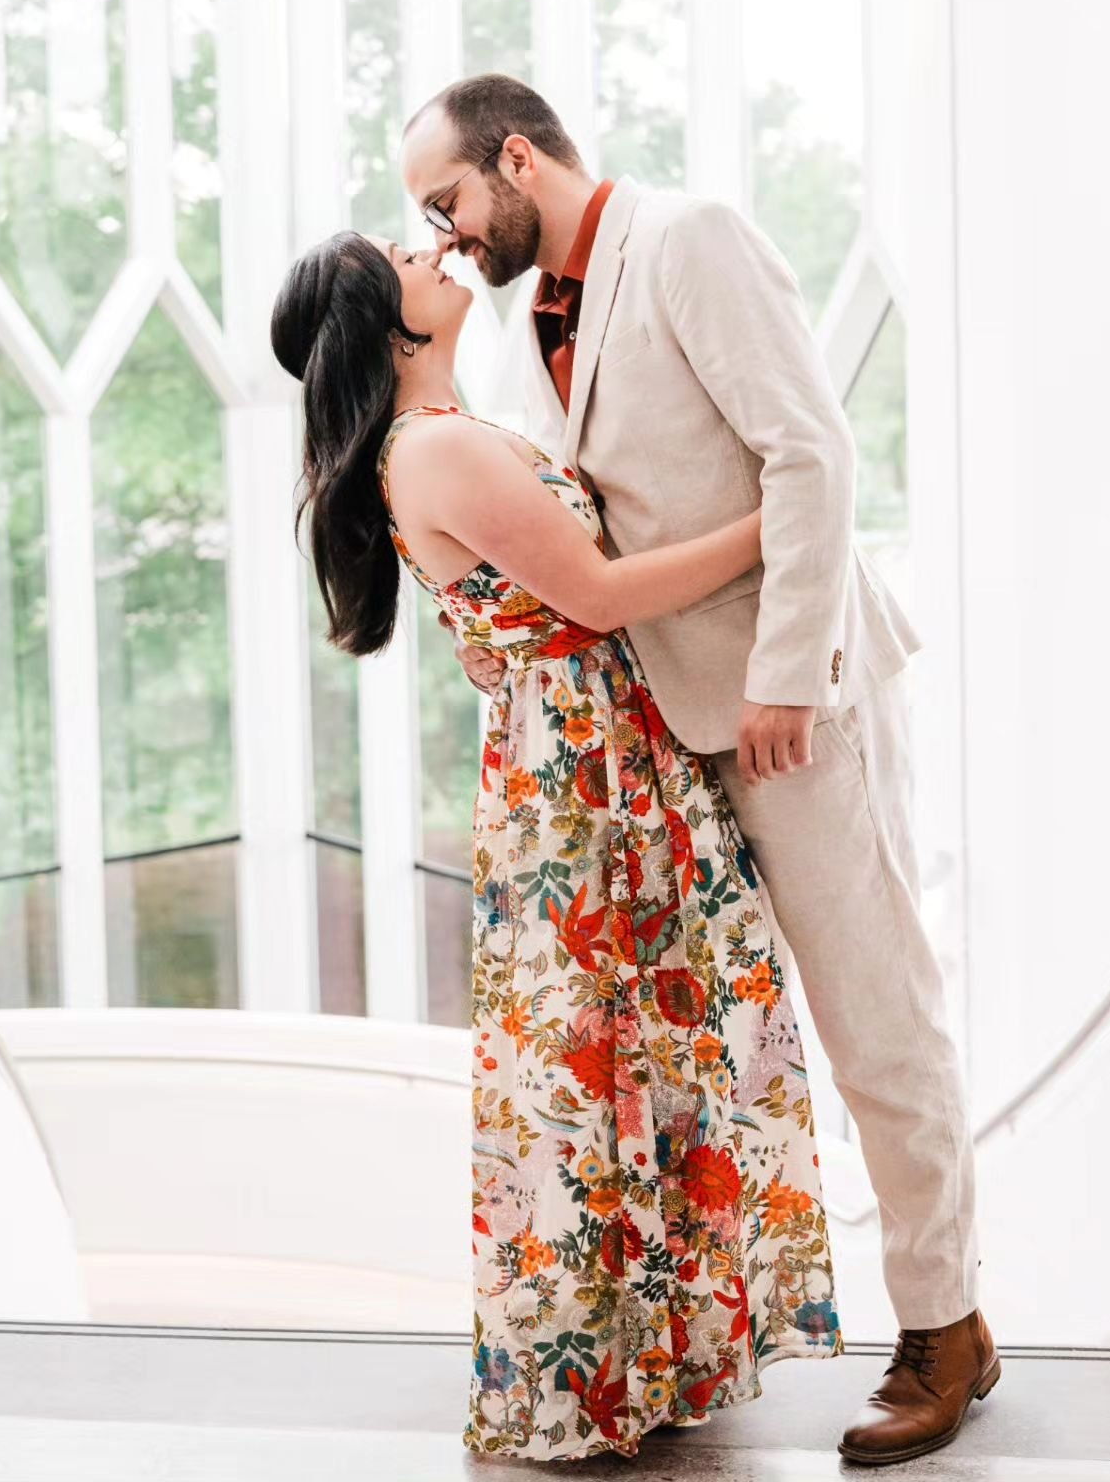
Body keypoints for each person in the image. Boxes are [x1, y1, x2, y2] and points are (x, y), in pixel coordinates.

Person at [398, 73, 1000, 1467]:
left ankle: (948, 1331)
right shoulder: (544, 315)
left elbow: (812, 450)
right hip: (681, 725)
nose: (444, 233)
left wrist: (793, 668)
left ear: (518, 156)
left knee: (878, 1017)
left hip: (799, 703)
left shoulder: (689, 237)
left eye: (447, 202)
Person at [271, 228, 847, 1462]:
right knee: (611, 1048)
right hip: (592, 778)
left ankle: (639, 1361)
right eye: (405, 254)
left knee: (623, 1046)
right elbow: (598, 595)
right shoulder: (441, 447)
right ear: (391, 323)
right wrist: (774, 520)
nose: (435, 250)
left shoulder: (431, 443)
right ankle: (607, 1369)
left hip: (583, 762)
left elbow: (510, 623)